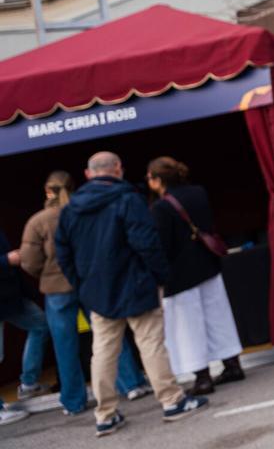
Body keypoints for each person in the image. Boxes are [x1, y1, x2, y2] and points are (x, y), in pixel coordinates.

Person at [55, 151, 208, 437]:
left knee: (103, 351)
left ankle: (105, 415)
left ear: (88, 174)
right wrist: (160, 276)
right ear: (118, 169)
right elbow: (146, 242)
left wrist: (82, 285)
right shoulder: (128, 199)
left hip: (97, 291)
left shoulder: (70, 209)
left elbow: (63, 254)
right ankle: (171, 401)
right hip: (136, 285)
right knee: (151, 344)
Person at [20, 171, 153, 416]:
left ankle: (73, 401)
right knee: (110, 334)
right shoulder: (83, 213)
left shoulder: (38, 221)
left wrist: (46, 274)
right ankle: (132, 384)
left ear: (47, 192)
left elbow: (29, 261)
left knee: (65, 345)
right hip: (89, 282)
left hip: (57, 289)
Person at [146, 156, 244, 396]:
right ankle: (232, 364)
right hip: (207, 264)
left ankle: (202, 378)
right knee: (218, 317)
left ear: (157, 180)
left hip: (180, 275)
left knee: (188, 328)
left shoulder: (160, 207)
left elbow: (163, 244)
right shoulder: (198, 192)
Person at [0, 229, 49, 403]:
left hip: (10, 297)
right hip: (7, 297)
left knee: (41, 325)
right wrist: (6, 260)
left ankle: (29, 383)